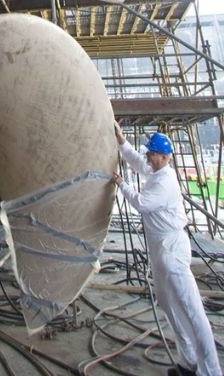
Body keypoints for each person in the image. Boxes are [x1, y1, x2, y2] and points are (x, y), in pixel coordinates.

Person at [112, 122, 222, 376]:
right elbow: (137, 162)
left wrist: (121, 184)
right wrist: (121, 140)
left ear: (164, 157)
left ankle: (211, 371)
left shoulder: (166, 181)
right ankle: (188, 361)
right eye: (148, 152)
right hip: (160, 248)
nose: (147, 156)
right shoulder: (155, 170)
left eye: (151, 153)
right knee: (167, 302)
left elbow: (142, 204)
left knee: (190, 308)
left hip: (171, 248)